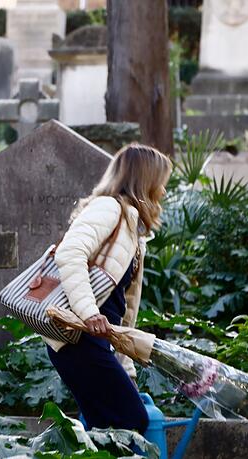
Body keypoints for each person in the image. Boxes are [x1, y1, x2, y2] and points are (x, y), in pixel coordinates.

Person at [46, 144, 172, 434]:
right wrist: (89, 313)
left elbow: (121, 310)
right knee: (131, 421)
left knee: (104, 429)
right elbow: (70, 253)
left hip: (94, 340)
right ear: (145, 180)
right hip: (78, 337)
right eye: (161, 183)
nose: (163, 192)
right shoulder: (109, 207)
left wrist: (125, 369)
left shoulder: (133, 228)